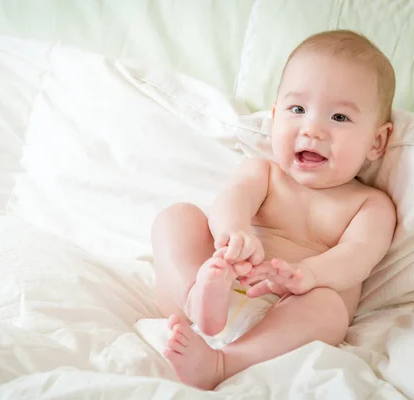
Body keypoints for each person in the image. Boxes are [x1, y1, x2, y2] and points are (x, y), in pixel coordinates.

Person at [151, 30, 397, 390]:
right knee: (176, 218)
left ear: (376, 142)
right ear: (275, 117)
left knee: (329, 310)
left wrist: (307, 274)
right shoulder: (264, 172)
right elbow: (231, 199)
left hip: (285, 317)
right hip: (220, 285)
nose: (312, 129)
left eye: (340, 117)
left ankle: (223, 362)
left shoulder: (370, 204)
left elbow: (358, 257)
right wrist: (234, 232)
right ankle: (196, 298)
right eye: (298, 110)